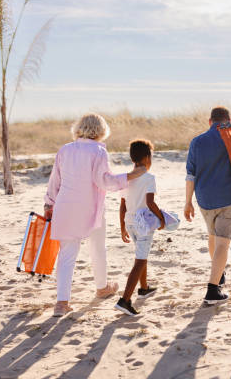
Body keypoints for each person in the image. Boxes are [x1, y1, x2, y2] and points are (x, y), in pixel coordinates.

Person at [44, 113, 146, 317]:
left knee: (67, 254)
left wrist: (49, 204)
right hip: (91, 208)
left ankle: (61, 303)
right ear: (101, 131)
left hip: (65, 206)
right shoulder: (98, 151)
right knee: (98, 248)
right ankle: (101, 287)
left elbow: (55, 180)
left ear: (79, 128)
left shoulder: (65, 149)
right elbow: (104, 181)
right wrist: (130, 176)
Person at [184, 107, 231, 305]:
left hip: (204, 200)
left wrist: (187, 202)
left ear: (210, 121)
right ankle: (213, 290)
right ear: (228, 120)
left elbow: (190, 174)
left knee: (212, 235)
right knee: (222, 242)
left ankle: (219, 273)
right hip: (227, 198)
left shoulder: (197, 142)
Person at [114, 139, 164, 315]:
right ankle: (125, 300)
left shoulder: (126, 178)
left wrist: (122, 227)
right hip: (143, 224)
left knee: (141, 254)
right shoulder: (149, 178)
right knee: (140, 260)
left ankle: (144, 288)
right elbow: (150, 202)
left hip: (130, 222)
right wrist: (161, 218)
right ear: (147, 157)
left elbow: (122, 205)